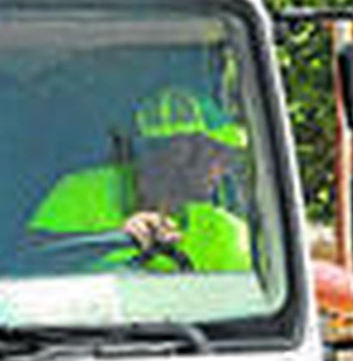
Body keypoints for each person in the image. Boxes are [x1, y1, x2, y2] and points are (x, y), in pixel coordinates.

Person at [26, 86, 251, 272]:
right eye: (218, 153)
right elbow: (29, 259)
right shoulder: (80, 191)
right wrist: (116, 238)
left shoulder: (224, 231)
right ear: (179, 151)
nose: (225, 168)